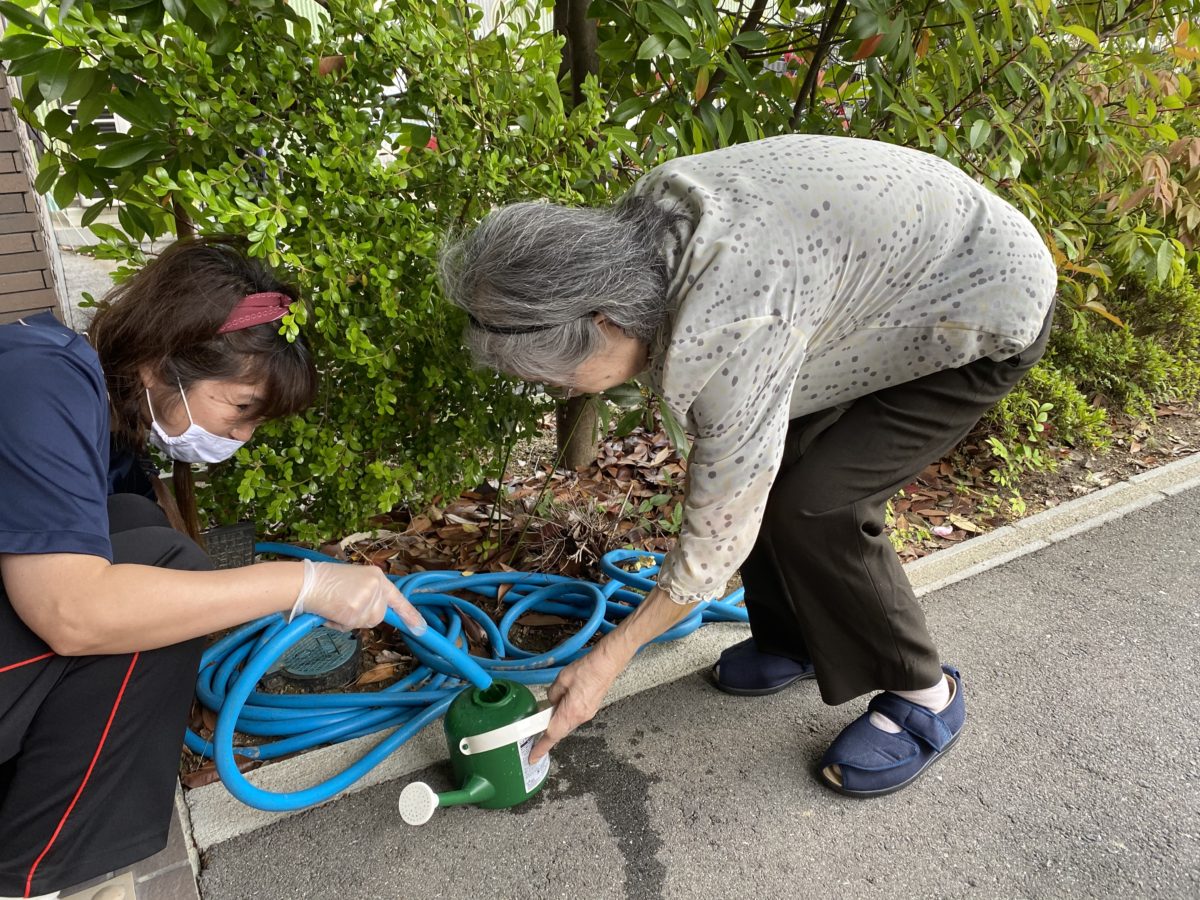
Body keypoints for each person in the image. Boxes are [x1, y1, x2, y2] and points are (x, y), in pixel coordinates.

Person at [439, 134, 1057, 798]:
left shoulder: (726, 323)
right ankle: (796, 640)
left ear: (606, 321)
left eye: (560, 378)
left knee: (816, 504)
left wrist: (607, 661)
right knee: (766, 469)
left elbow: (718, 537)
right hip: (885, 282)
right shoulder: (647, 229)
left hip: (981, 303)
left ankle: (927, 696)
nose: (564, 393)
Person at [0, 238, 426, 899]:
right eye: (242, 408)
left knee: (140, 537)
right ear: (160, 359)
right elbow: (72, 611)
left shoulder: (101, 424)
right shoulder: (40, 380)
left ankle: (50, 853)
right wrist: (303, 584)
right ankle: (31, 880)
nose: (242, 436)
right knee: (160, 574)